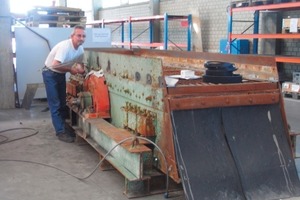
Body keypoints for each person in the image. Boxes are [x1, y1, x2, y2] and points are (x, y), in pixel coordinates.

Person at [42, 25, 86, 143]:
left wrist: (82, 71)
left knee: (62, 102)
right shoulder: (65, 47)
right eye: (78, 35)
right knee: (55, 103)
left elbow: (79, 64)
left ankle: (63, 126)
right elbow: (55, 65)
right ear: (72, 36)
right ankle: (60, 132)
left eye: (83, 36)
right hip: (50, 73)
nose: (81, 38)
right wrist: (71, 70)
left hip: (60, 74)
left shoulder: (80, 49)